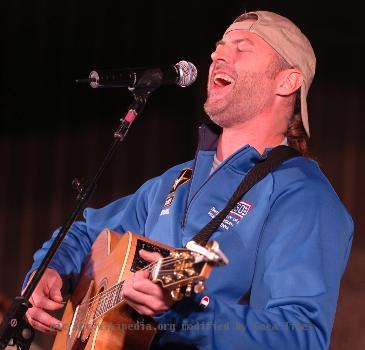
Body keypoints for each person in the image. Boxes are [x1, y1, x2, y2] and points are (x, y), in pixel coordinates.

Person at [22, 10, 353, 350]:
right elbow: (83, 232)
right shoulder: (174, 181)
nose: (218, 54)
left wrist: (187, 311)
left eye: (242, 47)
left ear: (287, 81)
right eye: (220, 45)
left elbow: (300, 337)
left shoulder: (302, 195)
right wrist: (47, 271)